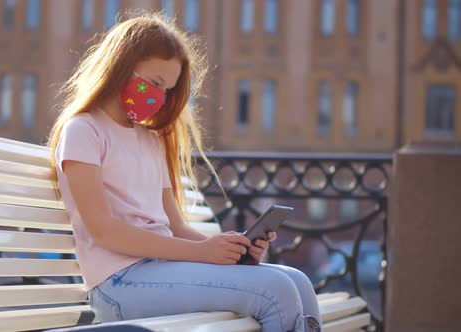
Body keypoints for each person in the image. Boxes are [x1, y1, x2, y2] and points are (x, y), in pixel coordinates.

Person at [47, 13, 321, 332]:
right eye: (154, 82)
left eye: (168, 88)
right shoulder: (84, 131)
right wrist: (200, 252)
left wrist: (233, 249)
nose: (159, 96)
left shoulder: (151, 140)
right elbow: (103, 231)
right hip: (118, 284)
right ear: (119, 66)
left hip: (163, 272)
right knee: (275, 290)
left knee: (297, 280)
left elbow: (174, 226)